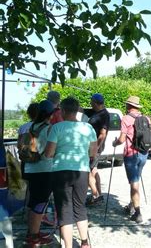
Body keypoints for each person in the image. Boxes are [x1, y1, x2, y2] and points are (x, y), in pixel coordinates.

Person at [44, 97, 97, 248]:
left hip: (60, 171)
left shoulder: (57, 128)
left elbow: (48, 153)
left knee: (64, 210)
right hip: (81, 170)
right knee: (80, 207)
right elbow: (93, 152)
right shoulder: (88, 128)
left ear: (63, 110)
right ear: (77, 110)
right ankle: (85, 242)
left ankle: (68, 246)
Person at [112, 96, 149, 224]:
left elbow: (122, 139)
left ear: (128, 106)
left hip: (131, 154)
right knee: (136, 180)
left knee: (134, 183)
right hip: (143, 154)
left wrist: (115, 143)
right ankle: (131, 205)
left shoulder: (126, 119)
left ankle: (137, 213)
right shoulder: (146, 118)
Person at [23, 100, 55, 247]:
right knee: (40, 204)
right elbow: (49, 152)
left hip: (30, 168)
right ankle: (34, 236)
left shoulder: (32, 126)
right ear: (51, 114)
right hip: (43, 169)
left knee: (33, 203)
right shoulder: (49, 129)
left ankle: (31, 232)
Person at [86, 93, 109, 206]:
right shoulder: (96, 112)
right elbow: (83, 110)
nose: (90, 104)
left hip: (95, 147)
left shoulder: (104, 115)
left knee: (87, 171)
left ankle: (95, 195)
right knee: (94, 170)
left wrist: (96, 148)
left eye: (91, 102)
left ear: (95, 103)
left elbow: (103, 134)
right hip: (94, 146)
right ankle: (99, 194)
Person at [17, 103, 39, 181]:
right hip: (39, 161)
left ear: (28, 114)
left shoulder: (23, 127)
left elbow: (19, 145)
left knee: (27, 184)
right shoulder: (43, 126)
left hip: (25, 159)